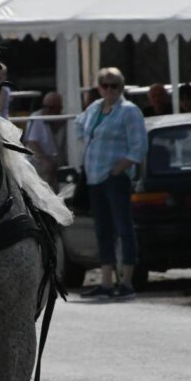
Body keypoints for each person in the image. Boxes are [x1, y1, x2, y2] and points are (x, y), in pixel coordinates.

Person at [75, 67, 147, 299]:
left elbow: (139, 147)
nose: (109, 89)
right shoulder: (95, 108)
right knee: (102, 229)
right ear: (98, 87)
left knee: (123, 228)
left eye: (114, 85)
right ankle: (106, 282)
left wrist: (119, 169)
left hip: (114, 177)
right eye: (104, 85)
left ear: (121, 87)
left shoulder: (129, 111)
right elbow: (79, 125)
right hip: (94, 177)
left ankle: (126, 281)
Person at [25, 90, 65, 189]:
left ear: (60, 108)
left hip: (56, 163)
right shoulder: (36, 118)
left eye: (51, 108)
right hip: (39, 162)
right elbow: (32, 143)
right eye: (45, 106)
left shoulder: (62, 120)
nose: (47, 110)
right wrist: (45, 162)